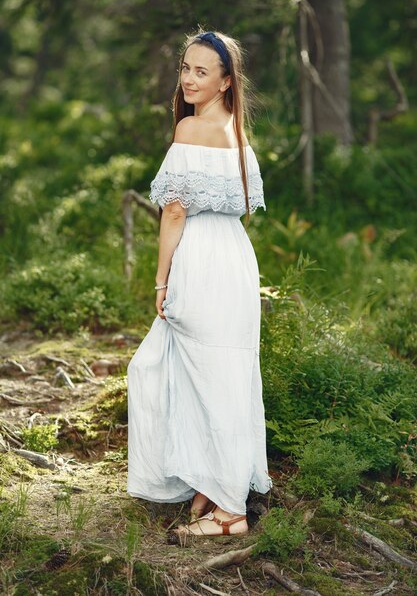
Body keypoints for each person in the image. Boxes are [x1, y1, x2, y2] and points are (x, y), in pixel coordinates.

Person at [127, 30, 272, 538]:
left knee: (187, 371)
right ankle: (211, 481)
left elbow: (173, 212)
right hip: (234, 258)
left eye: (201, 72)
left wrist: (161, 281)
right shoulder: (238, 131)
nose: (188, 79)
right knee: (221, 373)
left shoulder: (191, 130)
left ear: (226, 81)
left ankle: (231, 512)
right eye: (185, 68)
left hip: (201, 258)